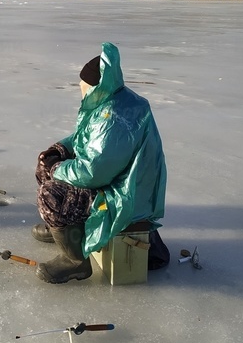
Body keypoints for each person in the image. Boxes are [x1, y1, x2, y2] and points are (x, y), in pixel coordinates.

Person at [33, 42, 167, 283]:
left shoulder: (114, 117)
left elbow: (94, 173)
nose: (80, 89)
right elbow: (87, 137)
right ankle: (63, 231)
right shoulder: (117, 100)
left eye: (82, 86)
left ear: (94, 86)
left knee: (52, 195)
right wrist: (59, 150)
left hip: (123, 198)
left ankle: (75, 260)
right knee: (46, 163)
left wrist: (56, 167)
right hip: (131, 188)